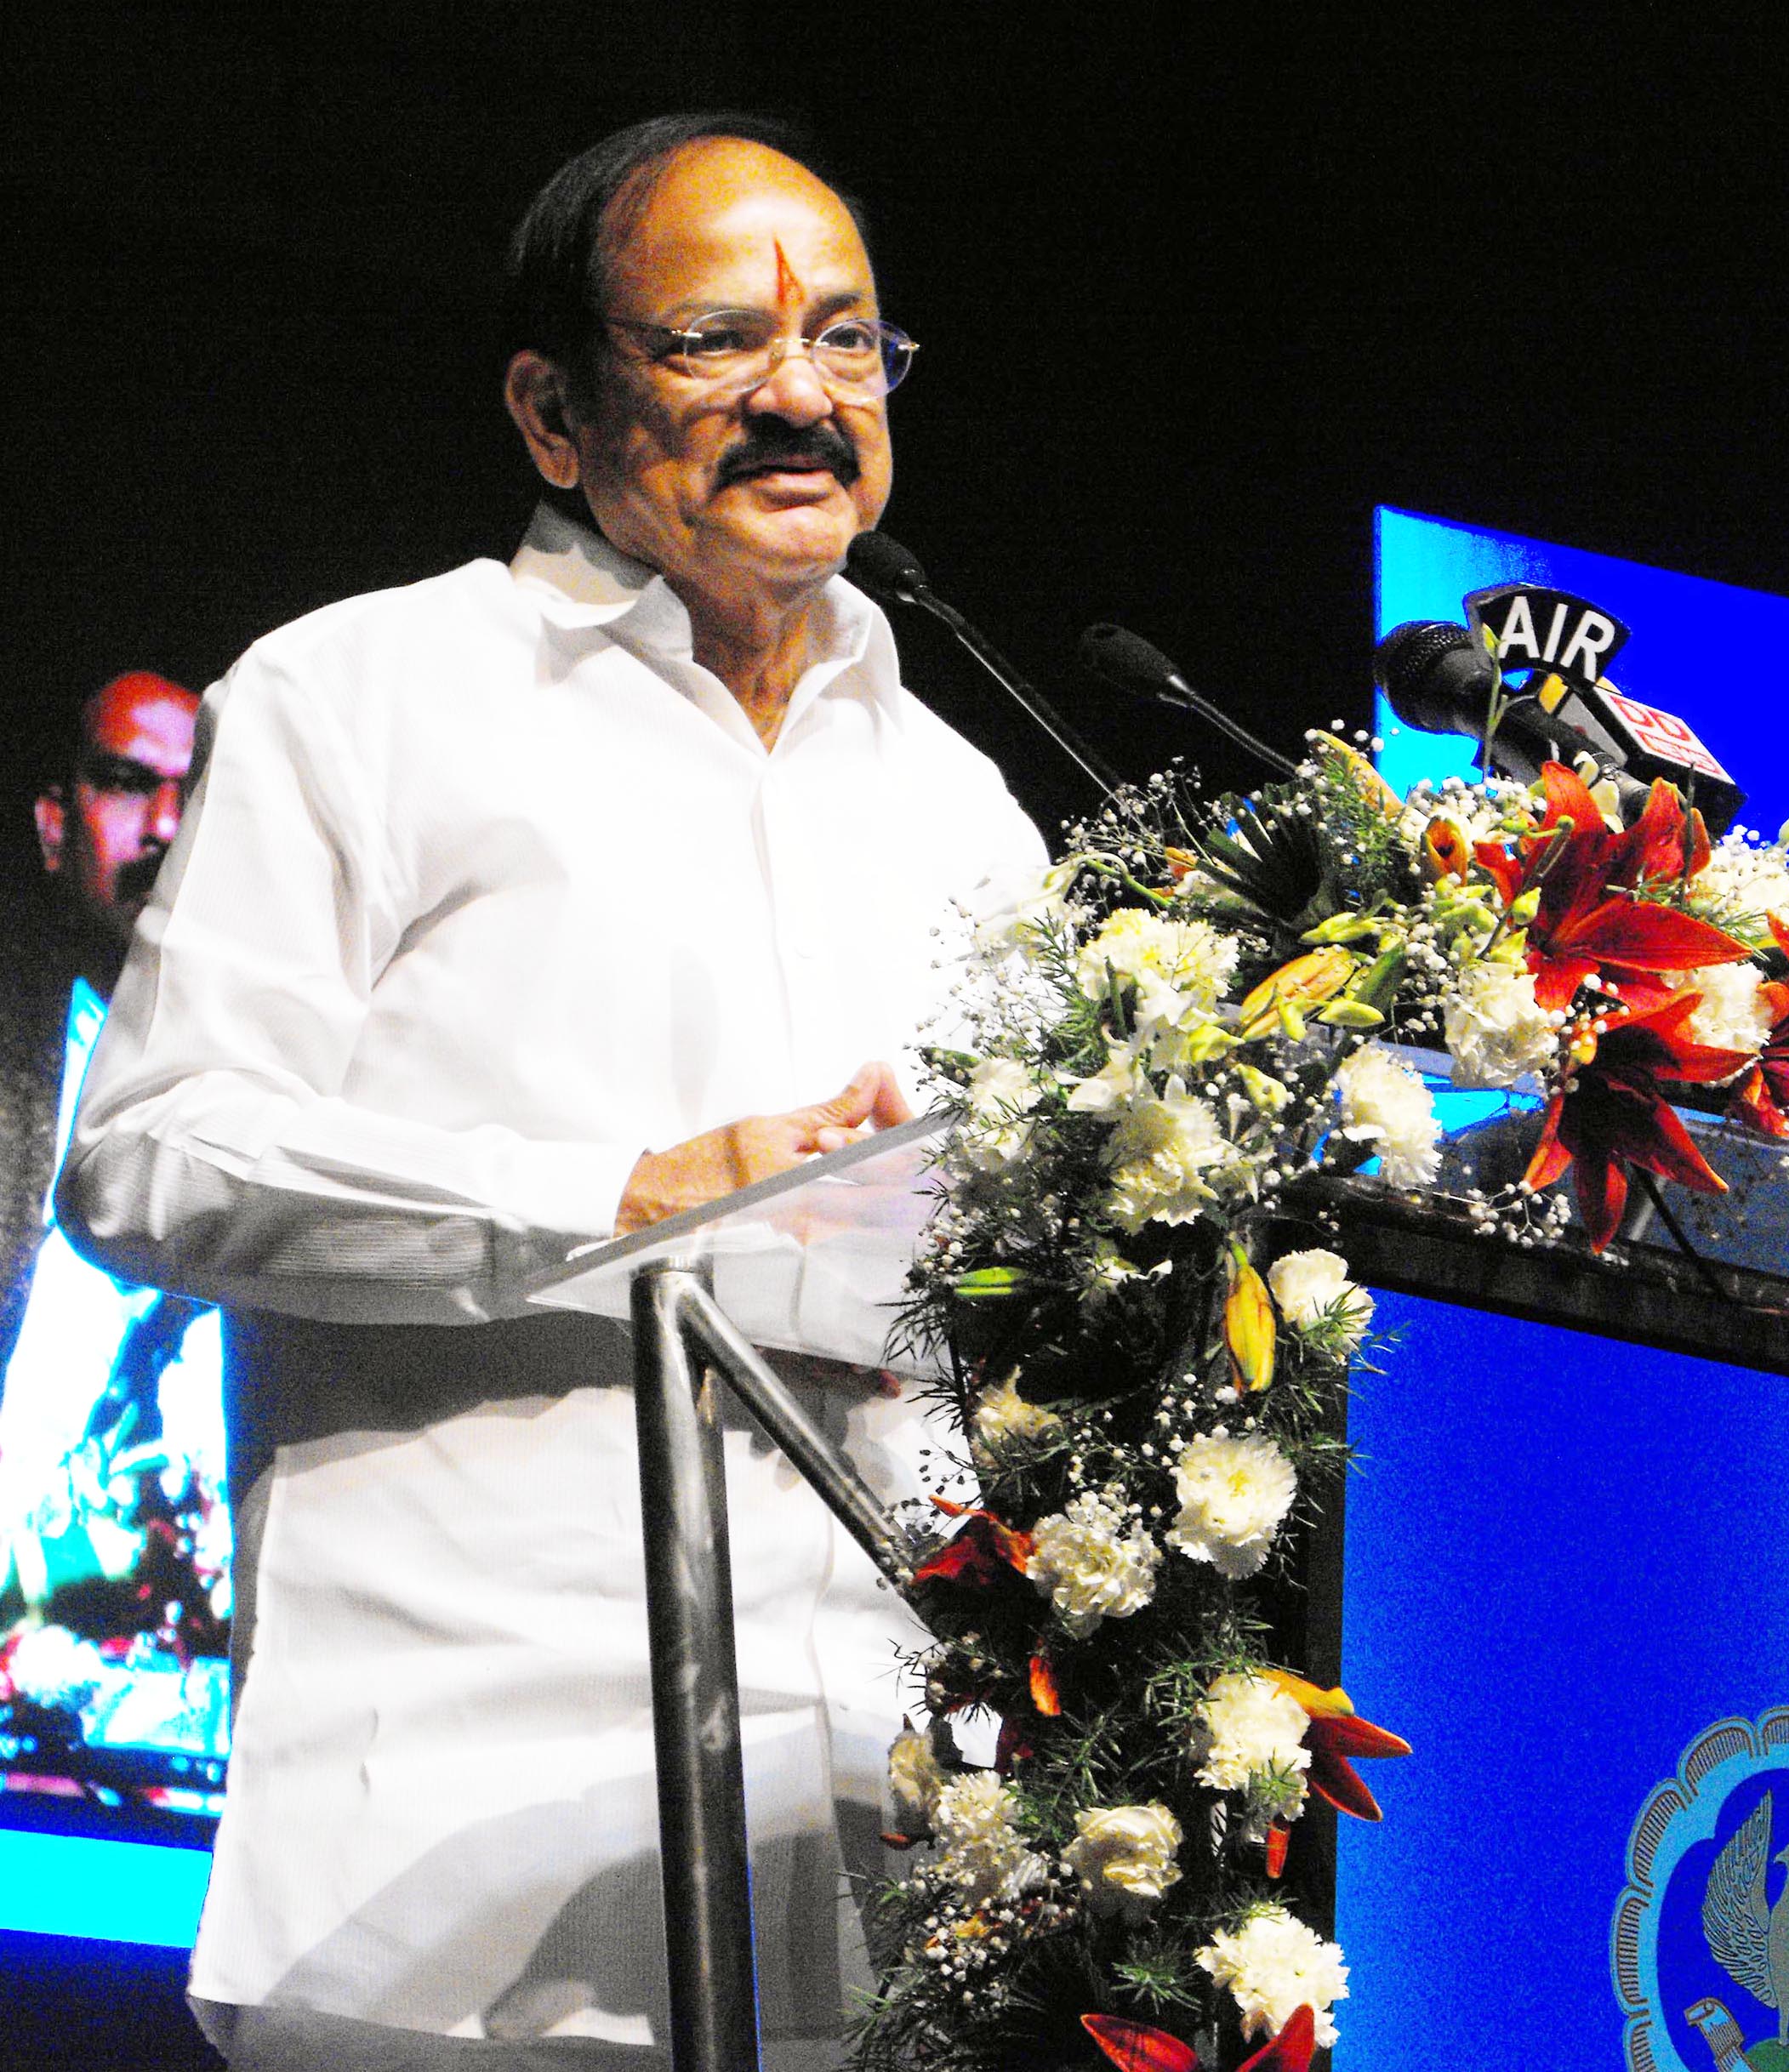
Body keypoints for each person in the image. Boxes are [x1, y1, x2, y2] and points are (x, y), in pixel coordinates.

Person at [60, 113, 1048, 2069]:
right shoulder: (365, 696)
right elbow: (154, 1152)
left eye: (848, 346)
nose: (798, 396)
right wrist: (628, 1197)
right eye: (711, 343)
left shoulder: (967, 807)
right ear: (551, 411)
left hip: (883, 1880)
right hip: (455, 1885)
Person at [0, 670, 231, 1796]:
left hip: (238, 1777)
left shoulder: (349, 1105)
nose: (170, 826)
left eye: (204, 790)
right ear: (55, 827)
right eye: (128, 785)